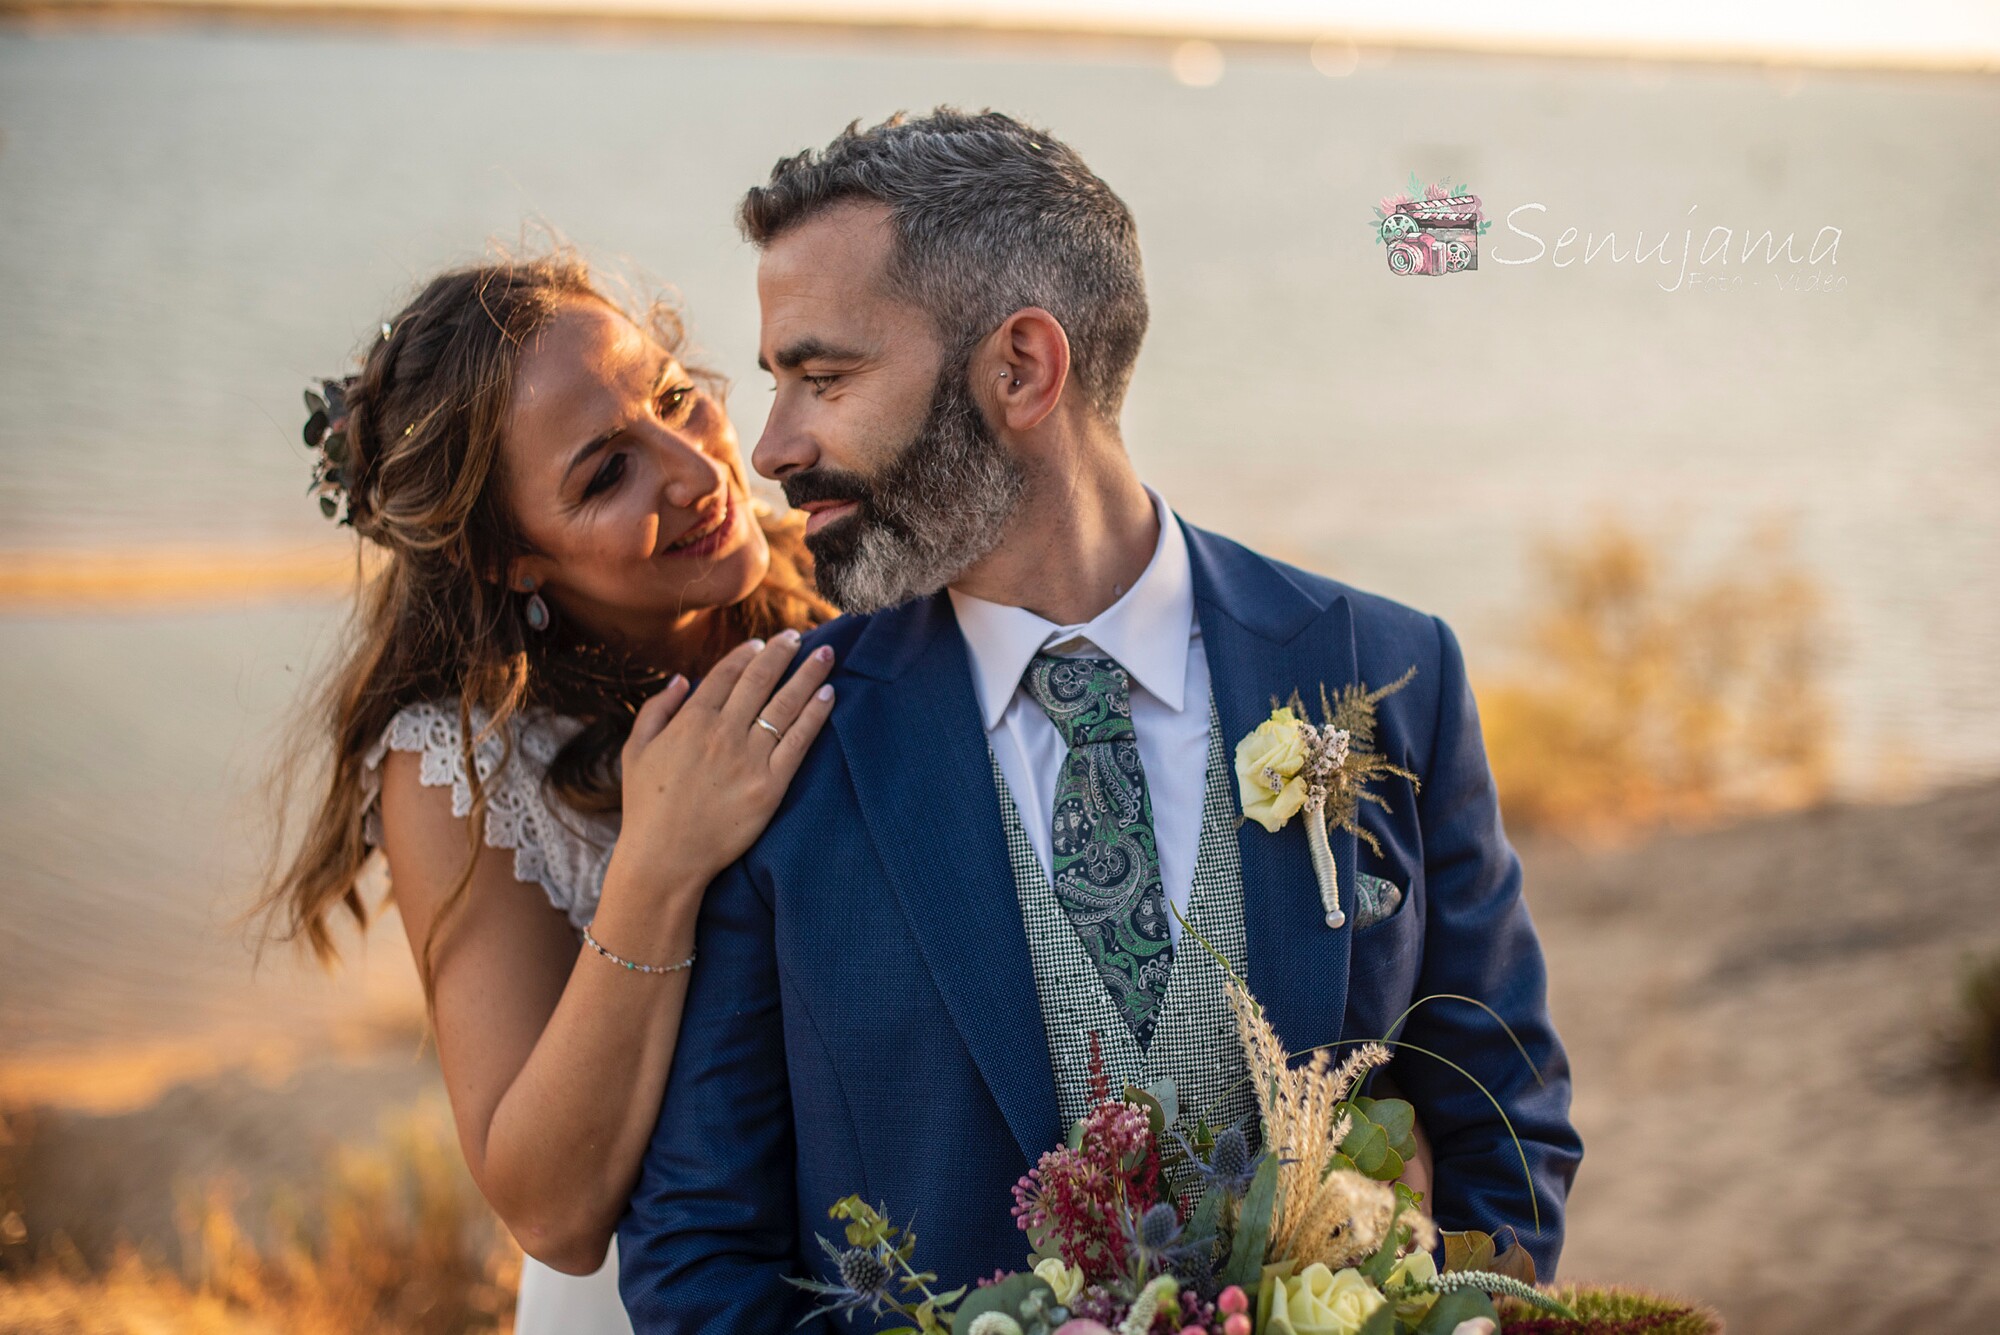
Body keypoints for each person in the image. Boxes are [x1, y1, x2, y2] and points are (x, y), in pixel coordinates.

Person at [617, 109, 1582, 1331]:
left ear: (1020, 367)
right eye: (775, 385)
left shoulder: (1387, 673)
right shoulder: (779, 743)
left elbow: (1507, 1119)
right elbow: (699, 1248)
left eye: (823, 378)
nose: (772, 449)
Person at [256, 252, 838, 1335]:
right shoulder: (459, 764)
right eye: (603, 473)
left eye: (673, 398)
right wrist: (659, 859)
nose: (695, 472)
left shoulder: (856, 574)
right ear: (507, 559)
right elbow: (550, 1212)